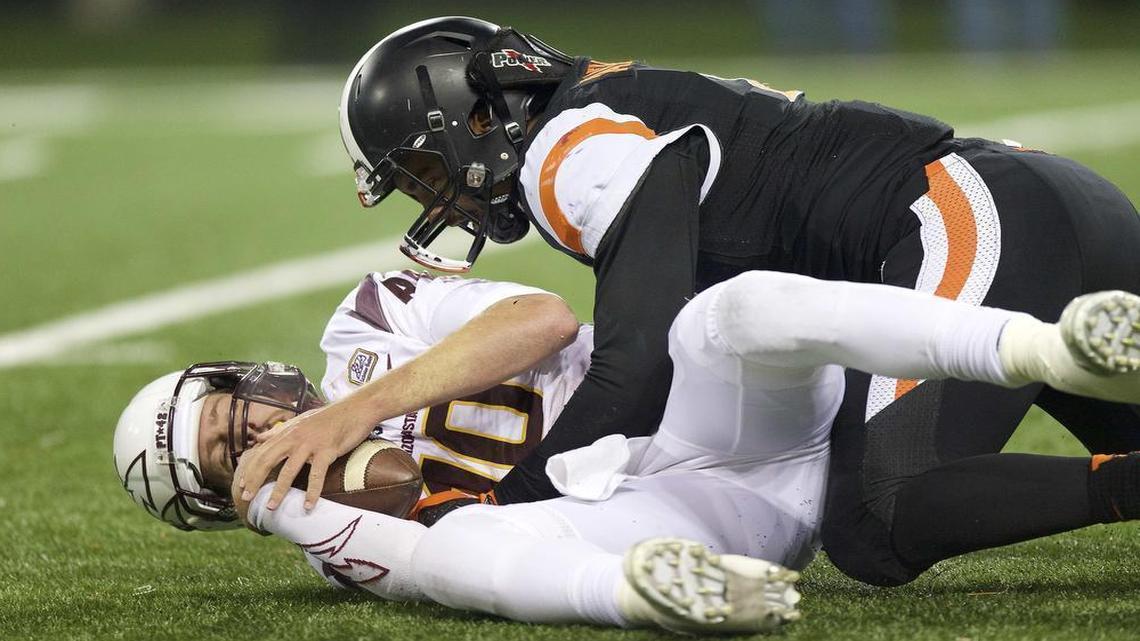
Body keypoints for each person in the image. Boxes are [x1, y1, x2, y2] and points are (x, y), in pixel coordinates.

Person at [235, 16, 1140, 587]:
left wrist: (506, 504)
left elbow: (637, 365)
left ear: (480, 116)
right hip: (1039, 203)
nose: (444, 200)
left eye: (430, 170)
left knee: (877, 518)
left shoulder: (565, 148)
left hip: (970, 216)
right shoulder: (600, 111)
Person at [118, 269, 1140, 631]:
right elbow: (438, 555)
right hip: (689, 521)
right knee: (452, 562)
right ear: (229, 500)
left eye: (225, 412)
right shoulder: (325, 531)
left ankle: (1048, 346)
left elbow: (544, 320)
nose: (248, 432)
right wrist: (301, 492)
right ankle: (649, 592)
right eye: (224, 457)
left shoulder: (369, 317)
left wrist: (358, 407)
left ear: (237, 375)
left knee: (729, 311)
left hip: (707, 417)